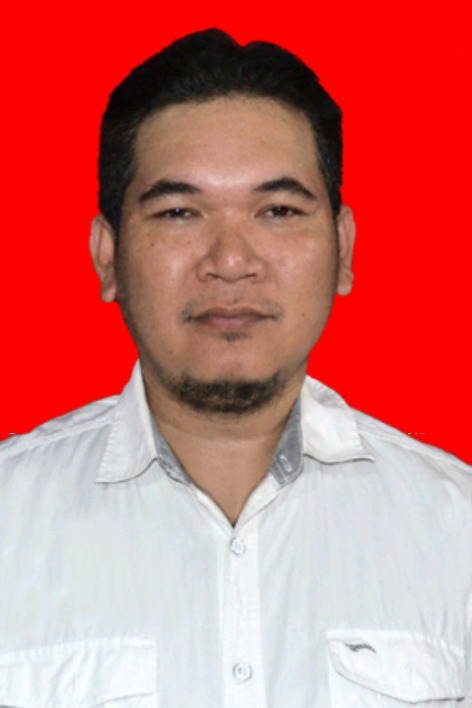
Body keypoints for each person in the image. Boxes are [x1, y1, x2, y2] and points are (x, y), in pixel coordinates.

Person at [0, 28, 470, 707]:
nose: (229, 261)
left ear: (342, 250)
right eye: (179, 212)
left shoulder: (456, 532)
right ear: (108, 256)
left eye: (277, 210)